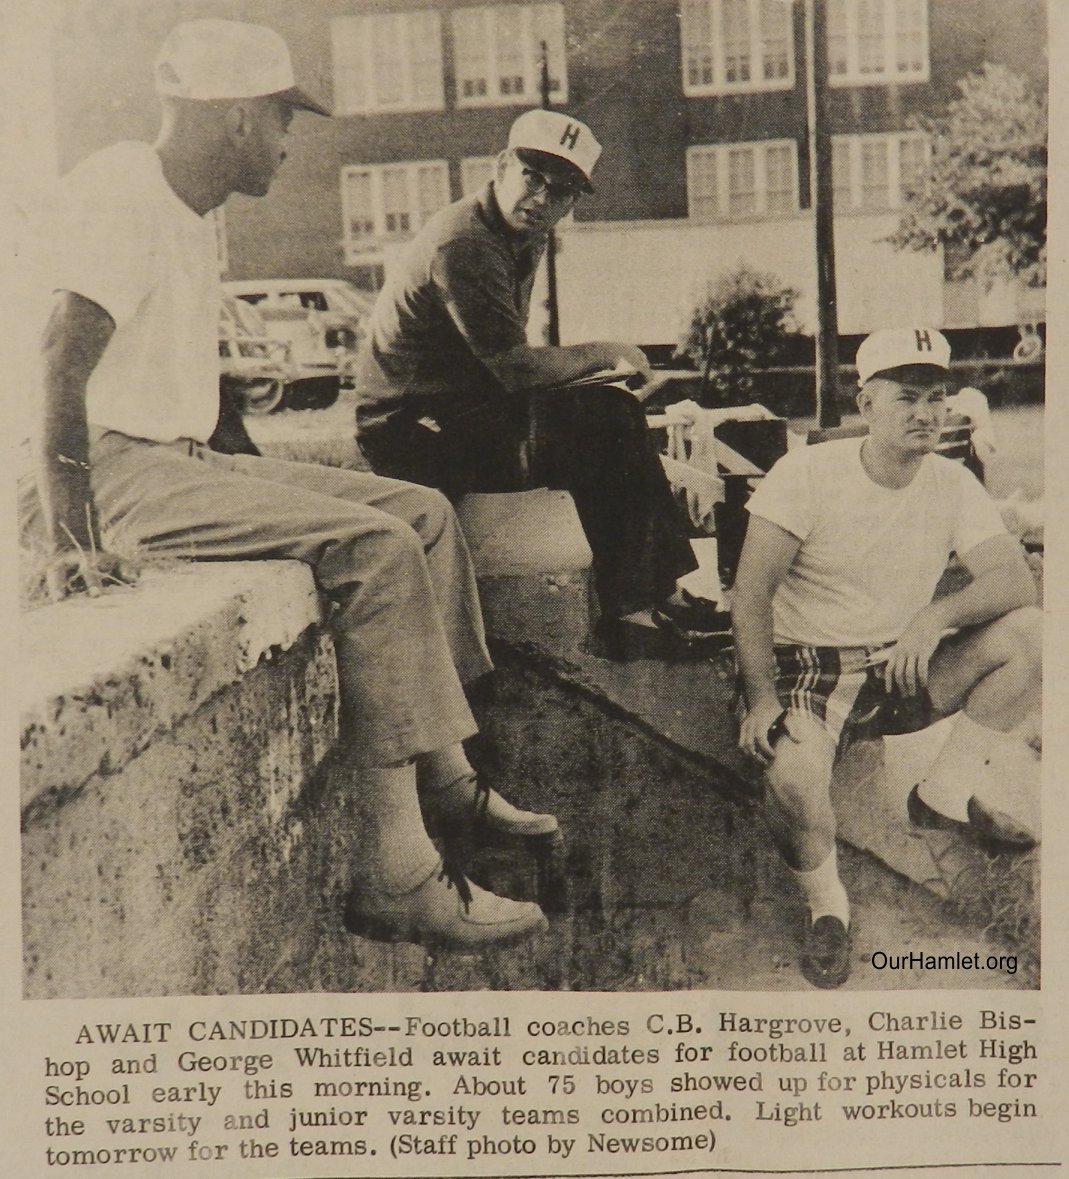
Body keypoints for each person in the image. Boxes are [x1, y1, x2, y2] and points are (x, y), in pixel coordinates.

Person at [33, 19, 556, 951]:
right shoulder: (121, 189)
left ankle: (451, 779)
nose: (286, 140)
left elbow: (202, 394)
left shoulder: (189, 212)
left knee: (420, 512)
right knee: (375, 548)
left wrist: (279, 484)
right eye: (282, 120)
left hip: (175, 460)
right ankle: (397, 870)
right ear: (235, 119)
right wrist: (70, 541)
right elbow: (59, 356)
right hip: (117, 472)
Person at [731, 327, 1041, 989]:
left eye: (935, 398)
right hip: (807, 668)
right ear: (864, 403)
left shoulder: (952, 482)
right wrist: (760, 696)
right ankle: (826, 907)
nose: (925, 414)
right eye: (906, 398)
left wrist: (934, 616)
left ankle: (942, 794)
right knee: (789, 777)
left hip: (898, 661)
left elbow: (1013, 581)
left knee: (1031, 635)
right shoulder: (806, 473)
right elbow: (750, 593)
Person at [355, 108, 722, 651]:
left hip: (457, 409)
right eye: (533, 177)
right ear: (503, 165)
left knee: (609, 409)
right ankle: (636, 616)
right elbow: (516, 366)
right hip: (409, 433)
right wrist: (606, 352)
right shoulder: (465, 242)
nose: (543, 200)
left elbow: (506, 369)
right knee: (602, 419)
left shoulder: (517, 230)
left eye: (564, 191)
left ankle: (660, 595)